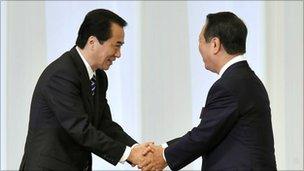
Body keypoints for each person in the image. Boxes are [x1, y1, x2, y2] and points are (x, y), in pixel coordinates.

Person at [141, 11, 277, 170]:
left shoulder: (229, 85)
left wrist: (163, 156)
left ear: (215, 44)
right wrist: (163, 148)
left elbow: (204, 135)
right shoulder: (246, 79)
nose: (198, 47)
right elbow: (209, 130)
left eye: (200, 41)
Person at [19, 9, 150, 170]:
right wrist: (128, 154)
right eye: (116, 46)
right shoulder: (62, 74)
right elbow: (81, 129)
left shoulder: (99, 77)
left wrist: (136, 149)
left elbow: (104, 125)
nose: (119, 54)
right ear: (92, 42)